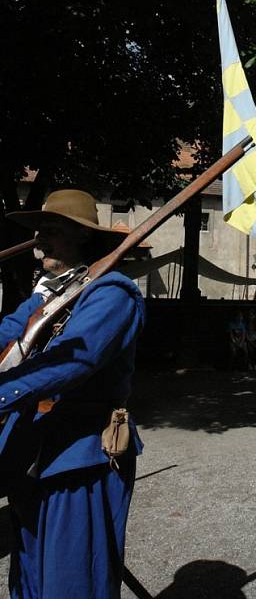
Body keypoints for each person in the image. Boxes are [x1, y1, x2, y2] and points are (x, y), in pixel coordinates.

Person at [0, 189, 145, 598]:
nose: (39, 242)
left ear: (82, 236)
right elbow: (9, 334)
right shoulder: (47, 295)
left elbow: (72, 362)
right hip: (32, 452)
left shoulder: (112, 292)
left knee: (71, 579)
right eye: (38, 232)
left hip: (79, 458)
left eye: (51, 231)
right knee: (29, 577)